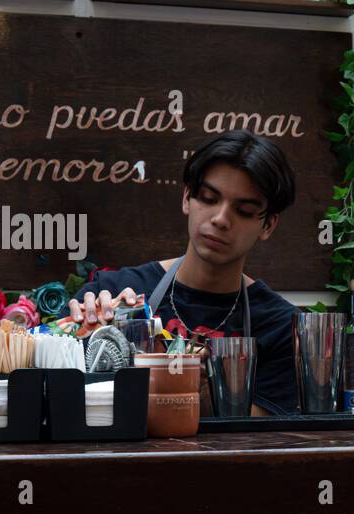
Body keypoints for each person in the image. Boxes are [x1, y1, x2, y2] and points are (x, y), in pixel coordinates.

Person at [70, 130, 299, 416]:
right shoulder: (115, 291)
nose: (220, 219)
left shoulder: (281, 328)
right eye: (208, 198)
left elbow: (254, 439)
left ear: (268, 225)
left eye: (243, 211)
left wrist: (202, 393)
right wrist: (82, 332)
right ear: (187, 198)